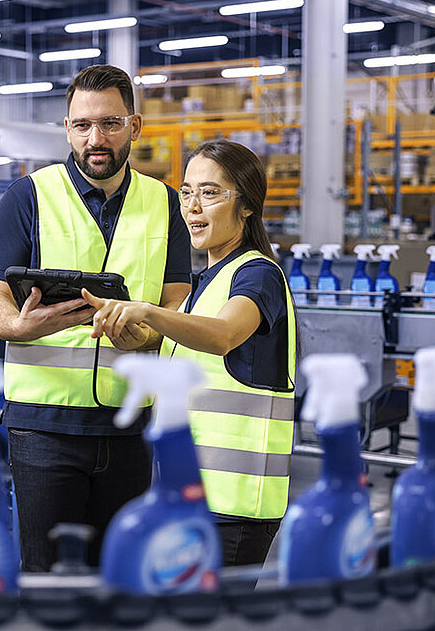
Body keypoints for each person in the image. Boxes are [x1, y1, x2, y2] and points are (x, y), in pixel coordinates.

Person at [0, 64, 192, 572]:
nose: (96, 138)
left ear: (134, 127)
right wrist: (20, 327)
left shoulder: (165, 203)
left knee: (120, 577)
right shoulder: (27, 196)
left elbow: (176, 304)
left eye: (111, 124)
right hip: (44, 427)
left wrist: (146, 335)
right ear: (67, 127)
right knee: (47, 577)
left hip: (130, 425)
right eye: (81, 125)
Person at [83, 139, 297, 566]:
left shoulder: (258, 275)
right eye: (187, 192)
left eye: (210, 192)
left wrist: (148, 311)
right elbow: (194, 354)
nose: (193, 206)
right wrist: (139, 338)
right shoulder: (207, 282)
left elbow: (222, 336)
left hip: (234, 505)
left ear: (248, 205)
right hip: (192, 494)